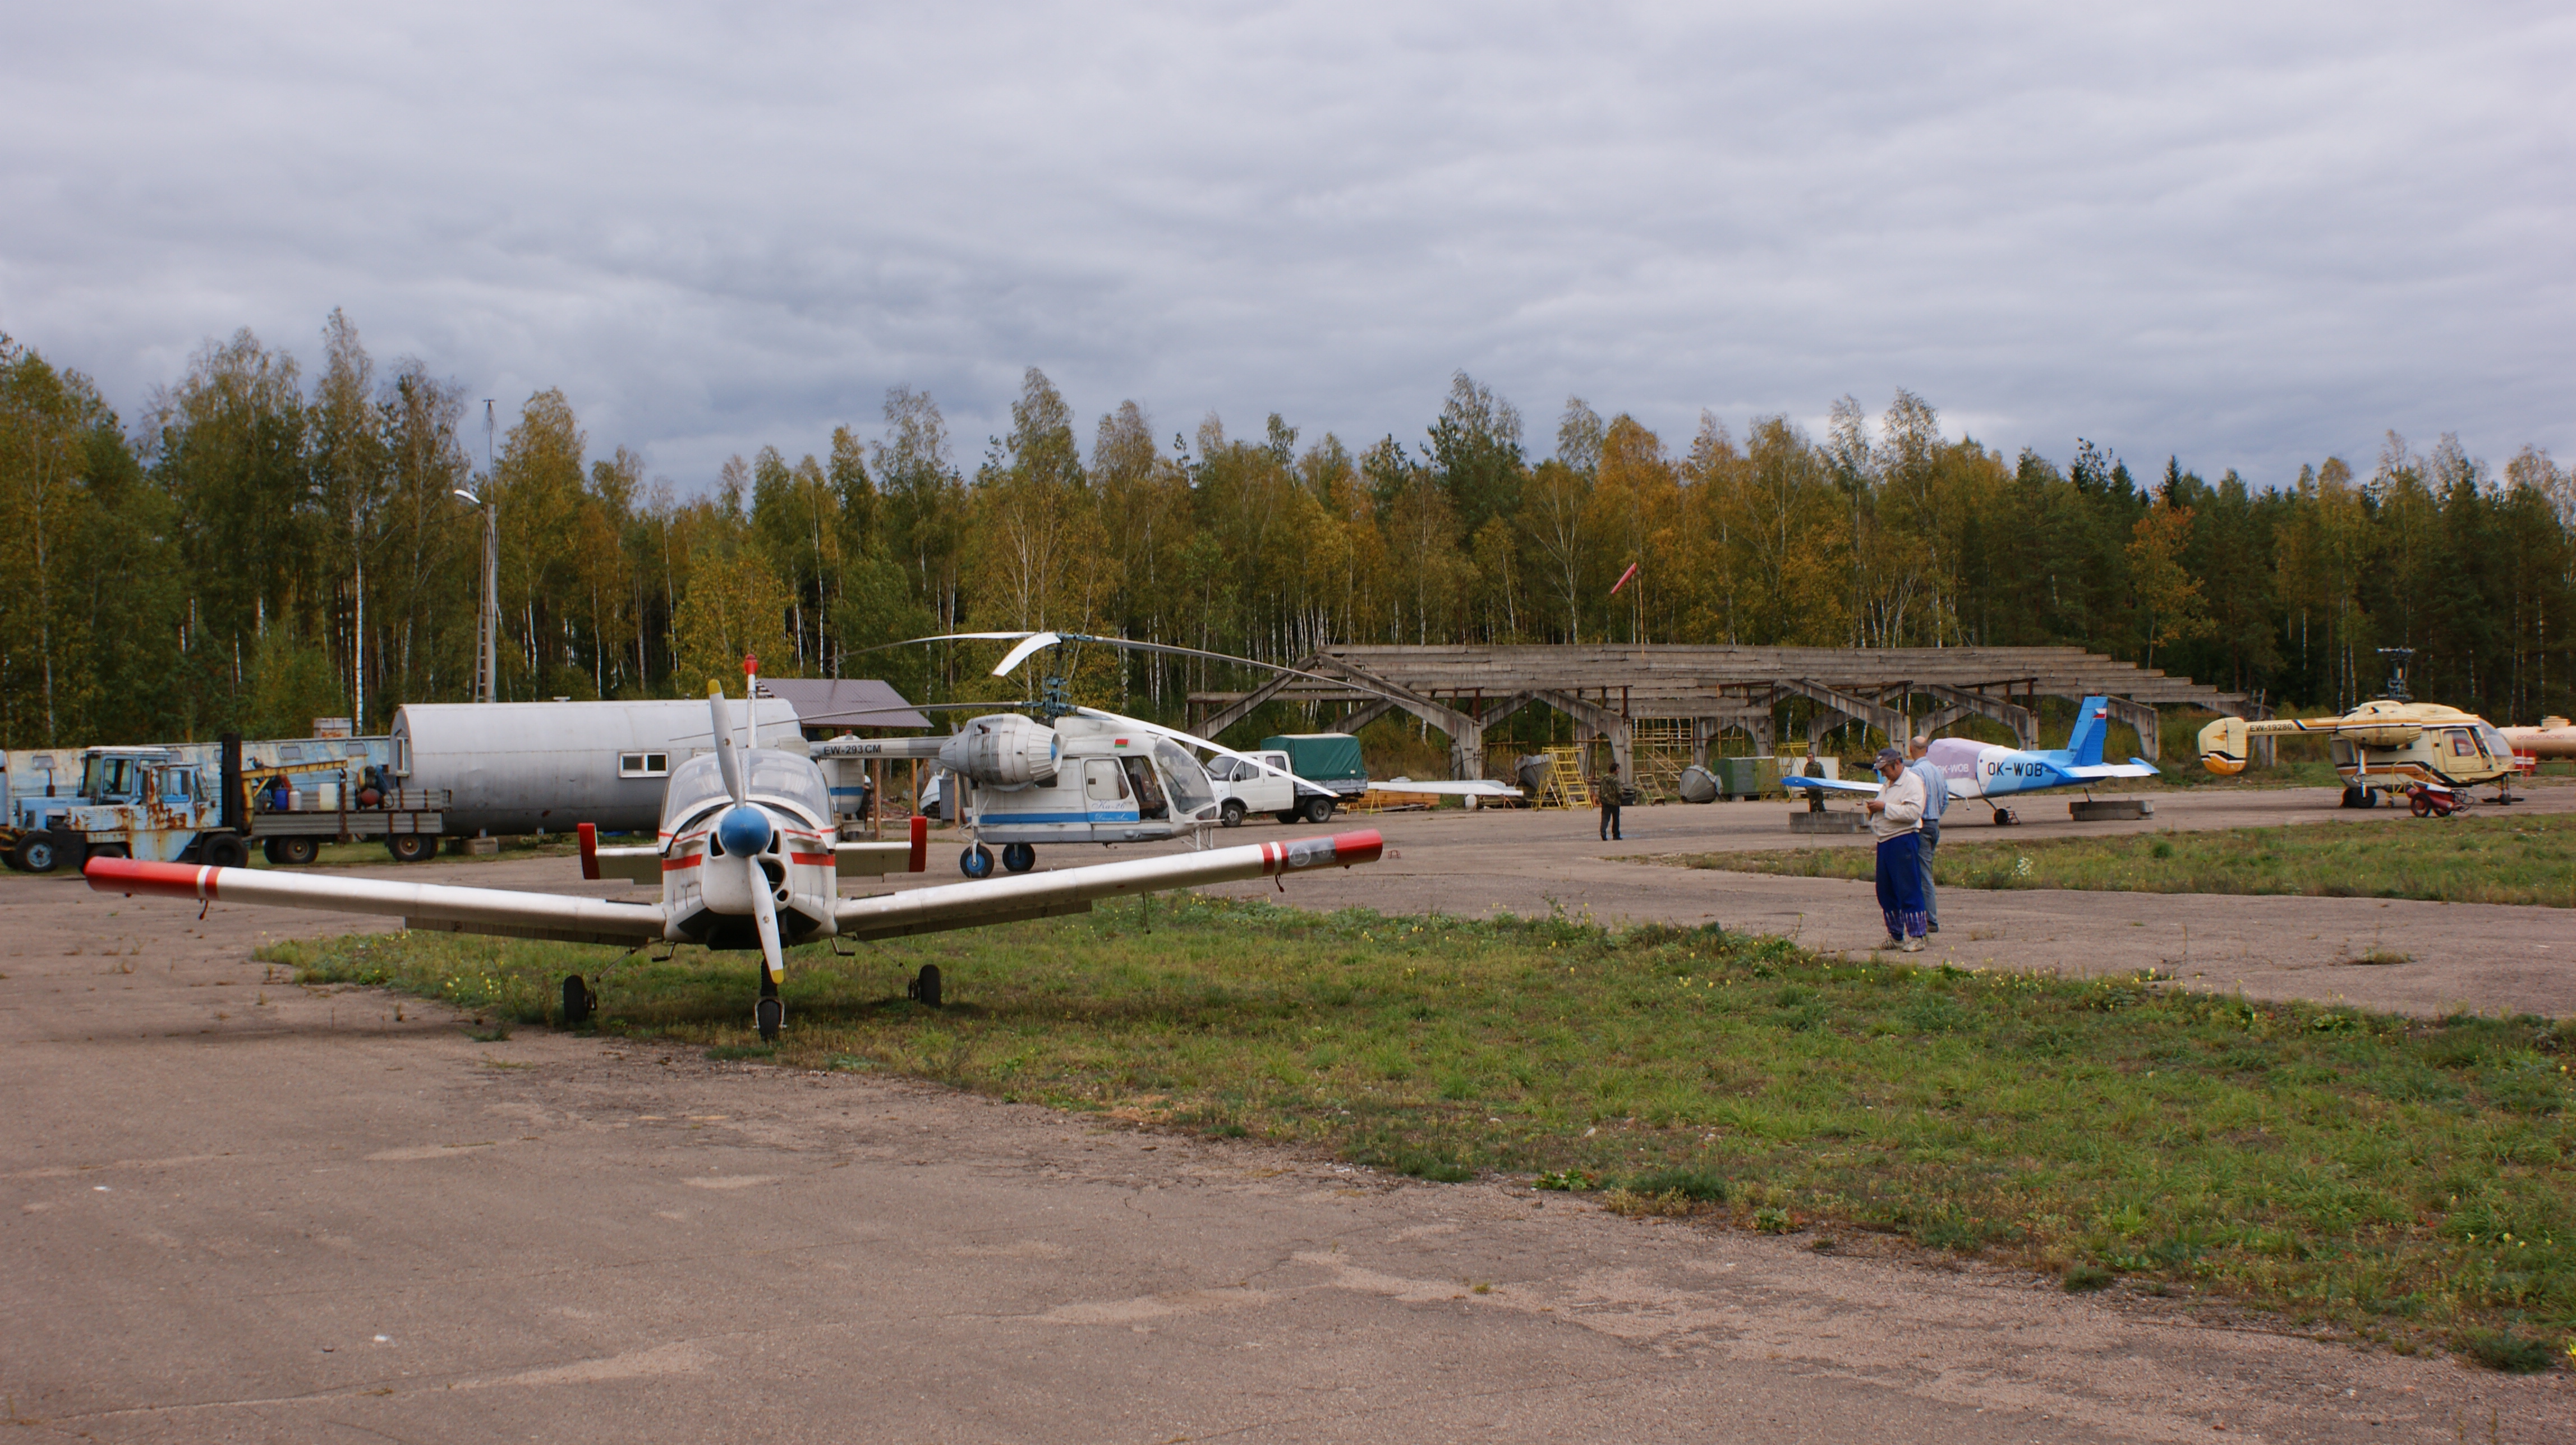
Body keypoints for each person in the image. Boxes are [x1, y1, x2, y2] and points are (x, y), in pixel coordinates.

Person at [1862, 745, 1928, 951]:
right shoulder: (1889, 784)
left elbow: (1913, 812)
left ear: (1898, 764)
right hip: (1885, 841)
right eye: (1881, 771)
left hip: (1903, 839)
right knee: (1885, 890)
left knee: (1908, 888)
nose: (1883, 774)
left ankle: (1917, 936)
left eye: (1886, 770)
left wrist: (1884, 808)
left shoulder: (1912, 782)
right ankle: (1895, 935)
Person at [1907, 734, 1950, 934]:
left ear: (1911, 749)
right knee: (1925, 870)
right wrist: (1935, 815)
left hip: (1922, 826)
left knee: (1923, 875)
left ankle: (1930, 920)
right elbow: (1945, 800)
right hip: (1935, 825)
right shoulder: (1937, 771)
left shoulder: (1916, 772)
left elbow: (1913, 800)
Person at [1598, 762, 1623, 841]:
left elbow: (1600, 789)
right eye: (1618, 769)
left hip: (1605, 801)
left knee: (1605, 818)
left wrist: (1601, 798)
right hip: (1614, 802)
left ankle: (1603, 832)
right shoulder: (1616, 779)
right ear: (1615, 770)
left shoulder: (1604, 778)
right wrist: (1621, 797)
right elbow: (1619, 791)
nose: (1619, 771)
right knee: (1616, 819)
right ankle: (1616, 835)